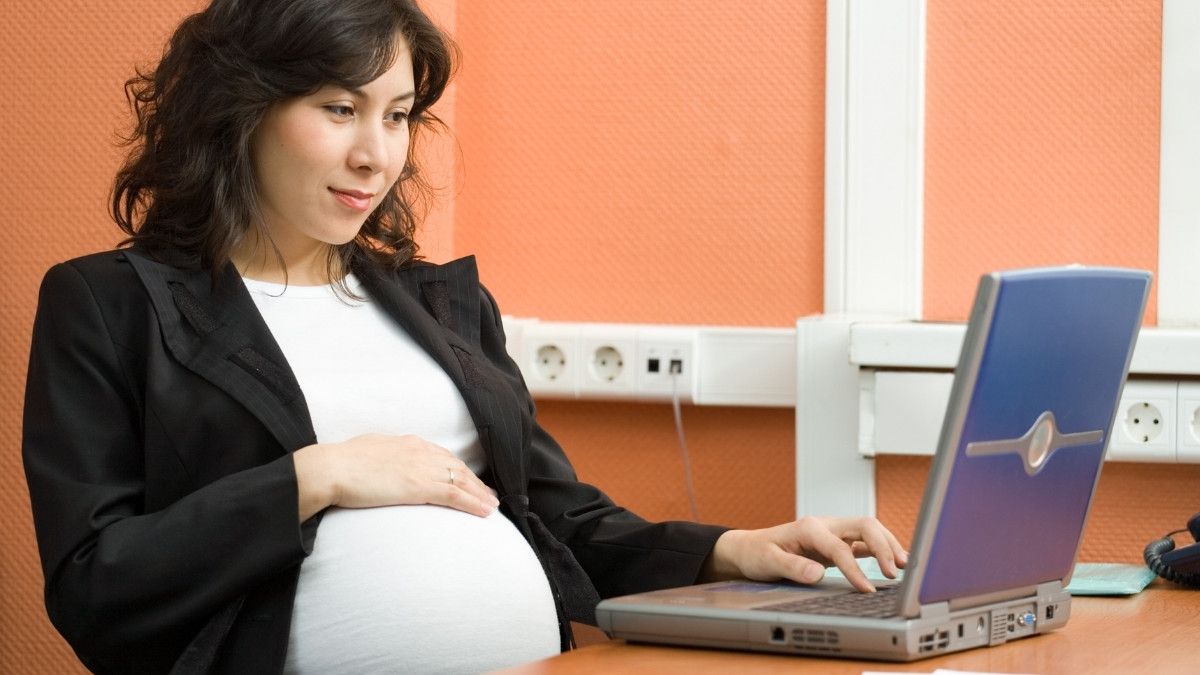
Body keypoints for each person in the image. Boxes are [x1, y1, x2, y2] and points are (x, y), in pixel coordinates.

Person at [21, 0, 907, 673]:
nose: (377, 155)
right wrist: (316, 476)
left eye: (398, 114)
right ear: (239, 109)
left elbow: (558, 517)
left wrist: (730, 550)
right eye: (340, 108)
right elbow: (95, 582)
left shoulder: (441, 303)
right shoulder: (110, 304)